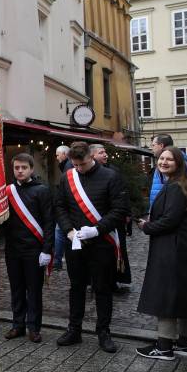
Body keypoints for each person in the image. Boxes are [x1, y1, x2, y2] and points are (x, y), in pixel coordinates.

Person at [135, 147, 187, 361]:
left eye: (169, 159)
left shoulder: (176, 187)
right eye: (161, 158)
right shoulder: (186, 184)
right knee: (186, 295)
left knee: (166, 295)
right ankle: (185, 344)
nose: (163, 162)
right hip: (186, 249)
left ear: (179, 164)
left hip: (172, 249)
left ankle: (164, 347)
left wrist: (147, 226)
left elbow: (170, 220)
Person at [55, 142, 129, 353]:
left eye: (83, 164)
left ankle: (103, 332)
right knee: (76, 287)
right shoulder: (67, 177)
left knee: (102, 288)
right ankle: (74, 329)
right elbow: (60, 206)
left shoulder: (110, 177)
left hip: (102, 243)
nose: (79, 168)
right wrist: (68, 230)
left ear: (91, 157)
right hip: (75, 242)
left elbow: (119, 210)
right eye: (75, 165)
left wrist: (97, 230)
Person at [1, 153, 54, 343]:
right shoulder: (8, 191)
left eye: (24, 167)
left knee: (34, 291)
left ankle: (34, 328)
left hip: (34, 250)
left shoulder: (42, 190)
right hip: (13, 249)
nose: (20, 171)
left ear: (31, 169)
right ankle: (18, 325)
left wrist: (47, 250)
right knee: (16, 289)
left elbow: (49, 222)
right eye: (17, 168)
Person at [90, 144, 132, 292]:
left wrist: (127, 213)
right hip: (95, 219)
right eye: (101, 152)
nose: (105, 155)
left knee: (116, 251)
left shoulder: (113, 171)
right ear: (92, 156)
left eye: (105, 152)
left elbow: (123, 193)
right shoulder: (85, 172)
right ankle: (95, 281)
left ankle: (114, 281)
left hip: (114, 219)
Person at [53, 145, 73, 271]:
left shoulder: (68, 166)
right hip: (67, 206)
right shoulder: (67, 165)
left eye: (57, 155)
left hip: (67, 207)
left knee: (59, 233)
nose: (56, 158)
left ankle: (57, 261)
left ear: (64, 154)